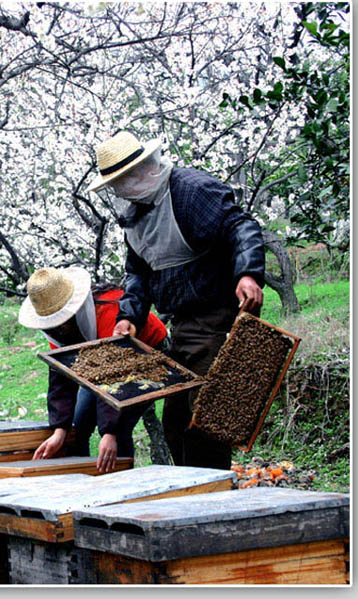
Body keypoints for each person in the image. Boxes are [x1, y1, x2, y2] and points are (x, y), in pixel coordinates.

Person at [87, 130, 265, 470]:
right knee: (176, 421)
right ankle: (190, 493)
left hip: (217, 316)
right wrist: (130, 316)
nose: (119, 190)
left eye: (122, 181)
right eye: (115, 185)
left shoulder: (190, 191)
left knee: (204, 418)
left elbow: (241, 227)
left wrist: (248, 273)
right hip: (182, 324)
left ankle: (209, 497)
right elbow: (138, 271)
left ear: (141, 172)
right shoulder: (136, 216)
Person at [18, 266, 168, 472]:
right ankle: (83, 482)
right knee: (77, 429)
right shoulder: (58, 330)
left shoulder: (110, 312)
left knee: (120, 428)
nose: (59, 329)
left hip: (145, 357)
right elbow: (61, 375)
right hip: (101, 366)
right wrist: (60, 430)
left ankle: (124, 487)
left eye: (62, 323)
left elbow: (116, 377)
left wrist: (110, 433)